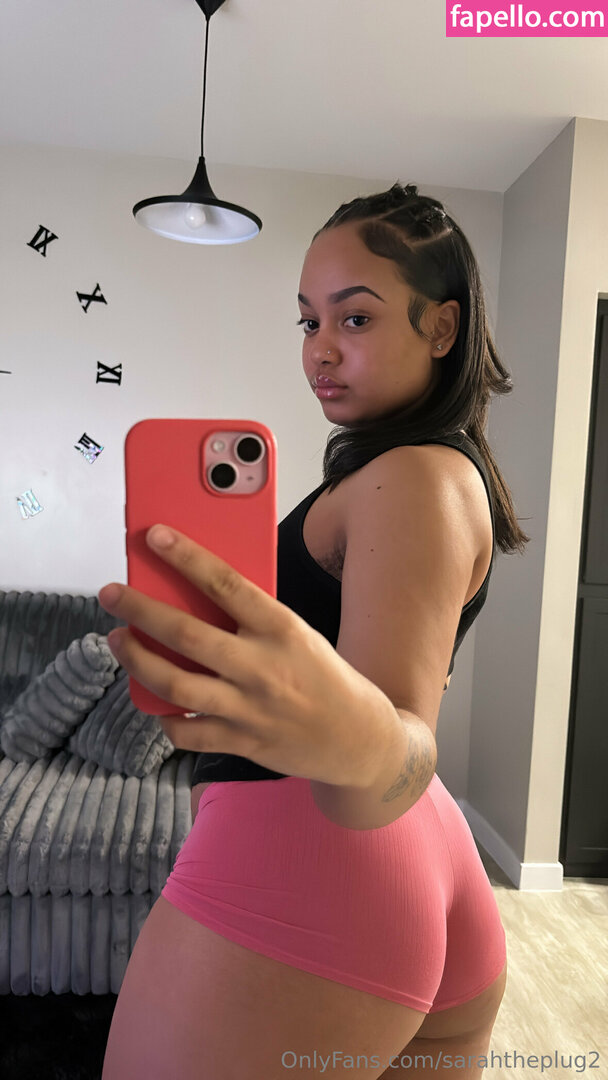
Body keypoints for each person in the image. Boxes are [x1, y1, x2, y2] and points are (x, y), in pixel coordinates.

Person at [100, 182, 529, 1079]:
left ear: (442, 328)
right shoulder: (421, 473)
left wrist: (356, 739)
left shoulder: (413, 478)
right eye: (308, 321)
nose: (320, 349)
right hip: (413, 867)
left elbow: (394, 755)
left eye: (355, 318)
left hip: (315, 872)